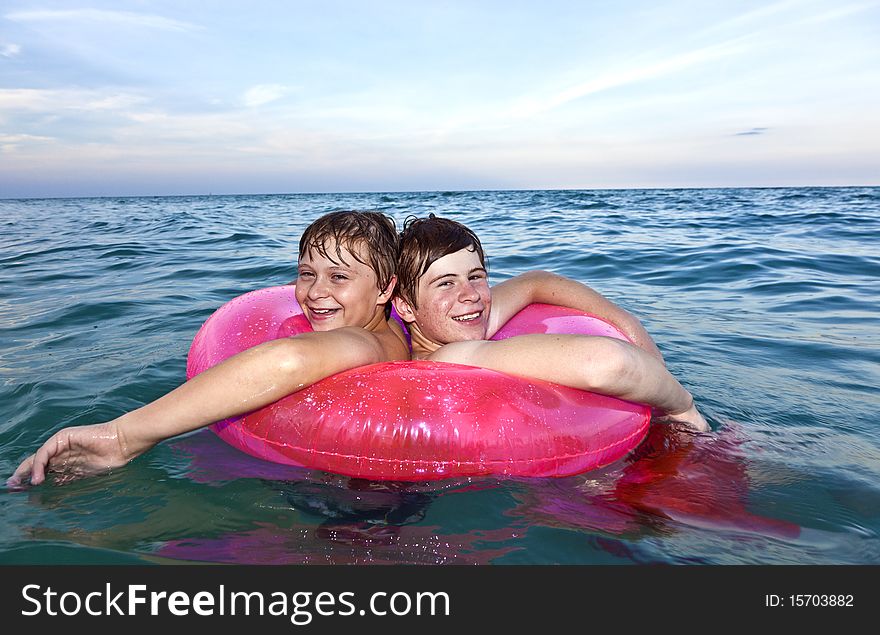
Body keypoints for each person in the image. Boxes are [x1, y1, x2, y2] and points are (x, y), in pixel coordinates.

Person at [9, 211, 409, 487]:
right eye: (307, 274)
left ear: (386, 288)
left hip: (356, 503)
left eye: (338, 277)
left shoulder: (363, 340)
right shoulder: (397, 328)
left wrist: (122, 435)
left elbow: (288, 360)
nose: (316, 291)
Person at [391, 214, 709, 431]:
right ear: (405, 306)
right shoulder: (448, 357)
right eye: (446, 283)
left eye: (476, 276)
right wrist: (682, 407)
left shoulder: (451, 322)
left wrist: (625, 321)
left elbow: (534, 281)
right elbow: (608, 363)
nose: (470, 295)